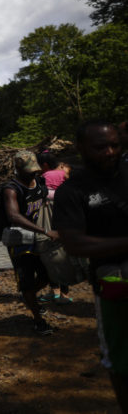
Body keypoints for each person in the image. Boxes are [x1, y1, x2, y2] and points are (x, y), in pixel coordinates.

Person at [53, 121, 128, 411]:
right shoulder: (72, 192)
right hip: (114, 287)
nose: (109, 152)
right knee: (120, 362)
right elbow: (75, 244)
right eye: (100, 147)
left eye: (115, 145)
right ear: (80, 149)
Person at [2, 150, 58, 335]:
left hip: (41, 239)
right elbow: (13, 215)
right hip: (21, 242)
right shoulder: (12, 188)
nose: (33, 173)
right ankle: (38, 320)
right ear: (18, 168)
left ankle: (29, 295)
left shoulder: (39, 182)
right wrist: (44, 230)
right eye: (29, 170)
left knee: (47, 276)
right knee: (26, 280)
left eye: (34, 169)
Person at [37, 151, 72, 304]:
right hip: (65, 215)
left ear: (44, 165)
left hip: (47, 217)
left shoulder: (44, 177)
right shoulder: (63, 174)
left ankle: (55, 291)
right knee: (65, 253)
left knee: (49, 252)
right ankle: (64, 293)